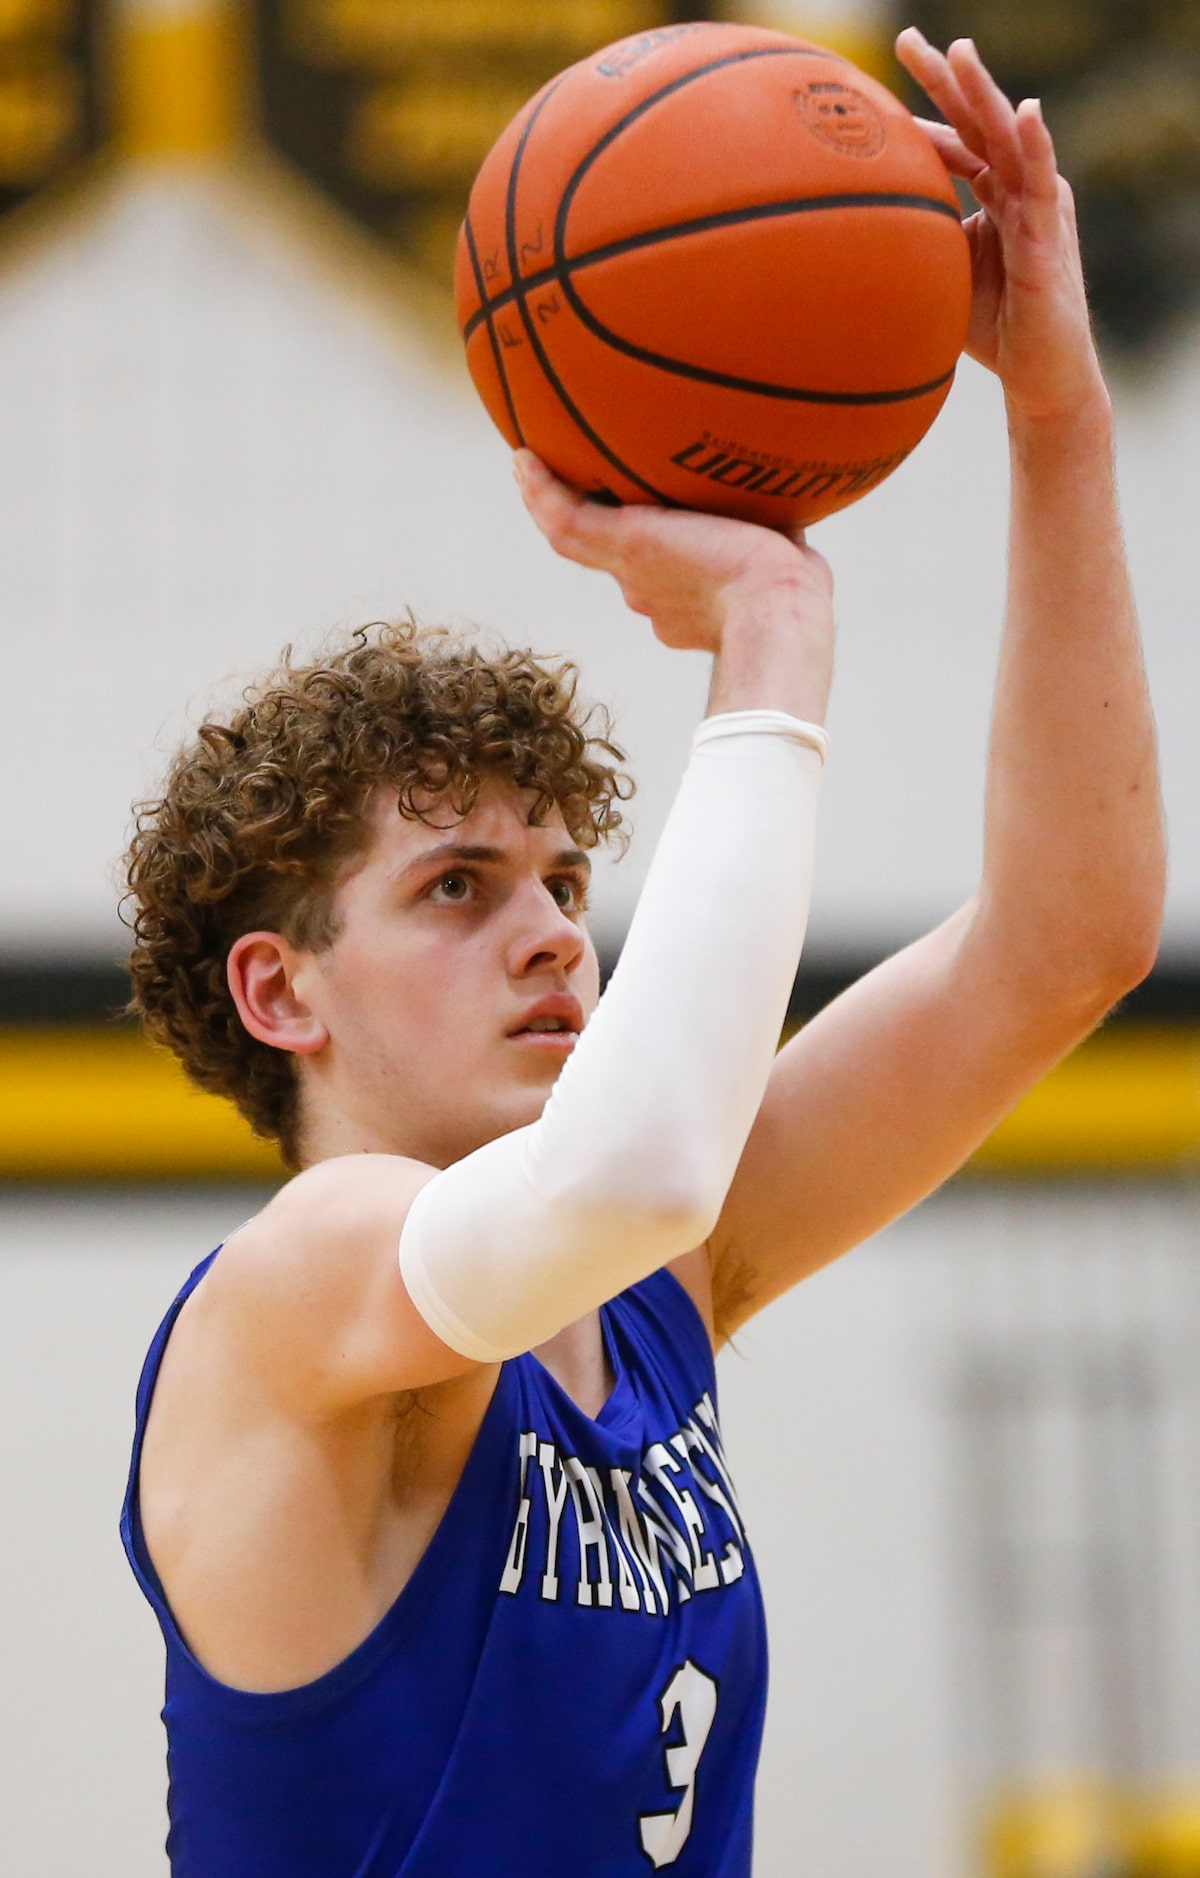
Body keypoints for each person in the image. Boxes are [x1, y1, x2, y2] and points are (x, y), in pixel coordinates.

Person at [119, 30, 1164, 1878]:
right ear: (282, 989)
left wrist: (1060, 418)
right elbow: (641, 1163)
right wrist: (770, 628)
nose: (547, 930)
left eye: (561, 878)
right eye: (456, 887)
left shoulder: (648, 1287)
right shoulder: (295, 1301)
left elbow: (1067, 941)